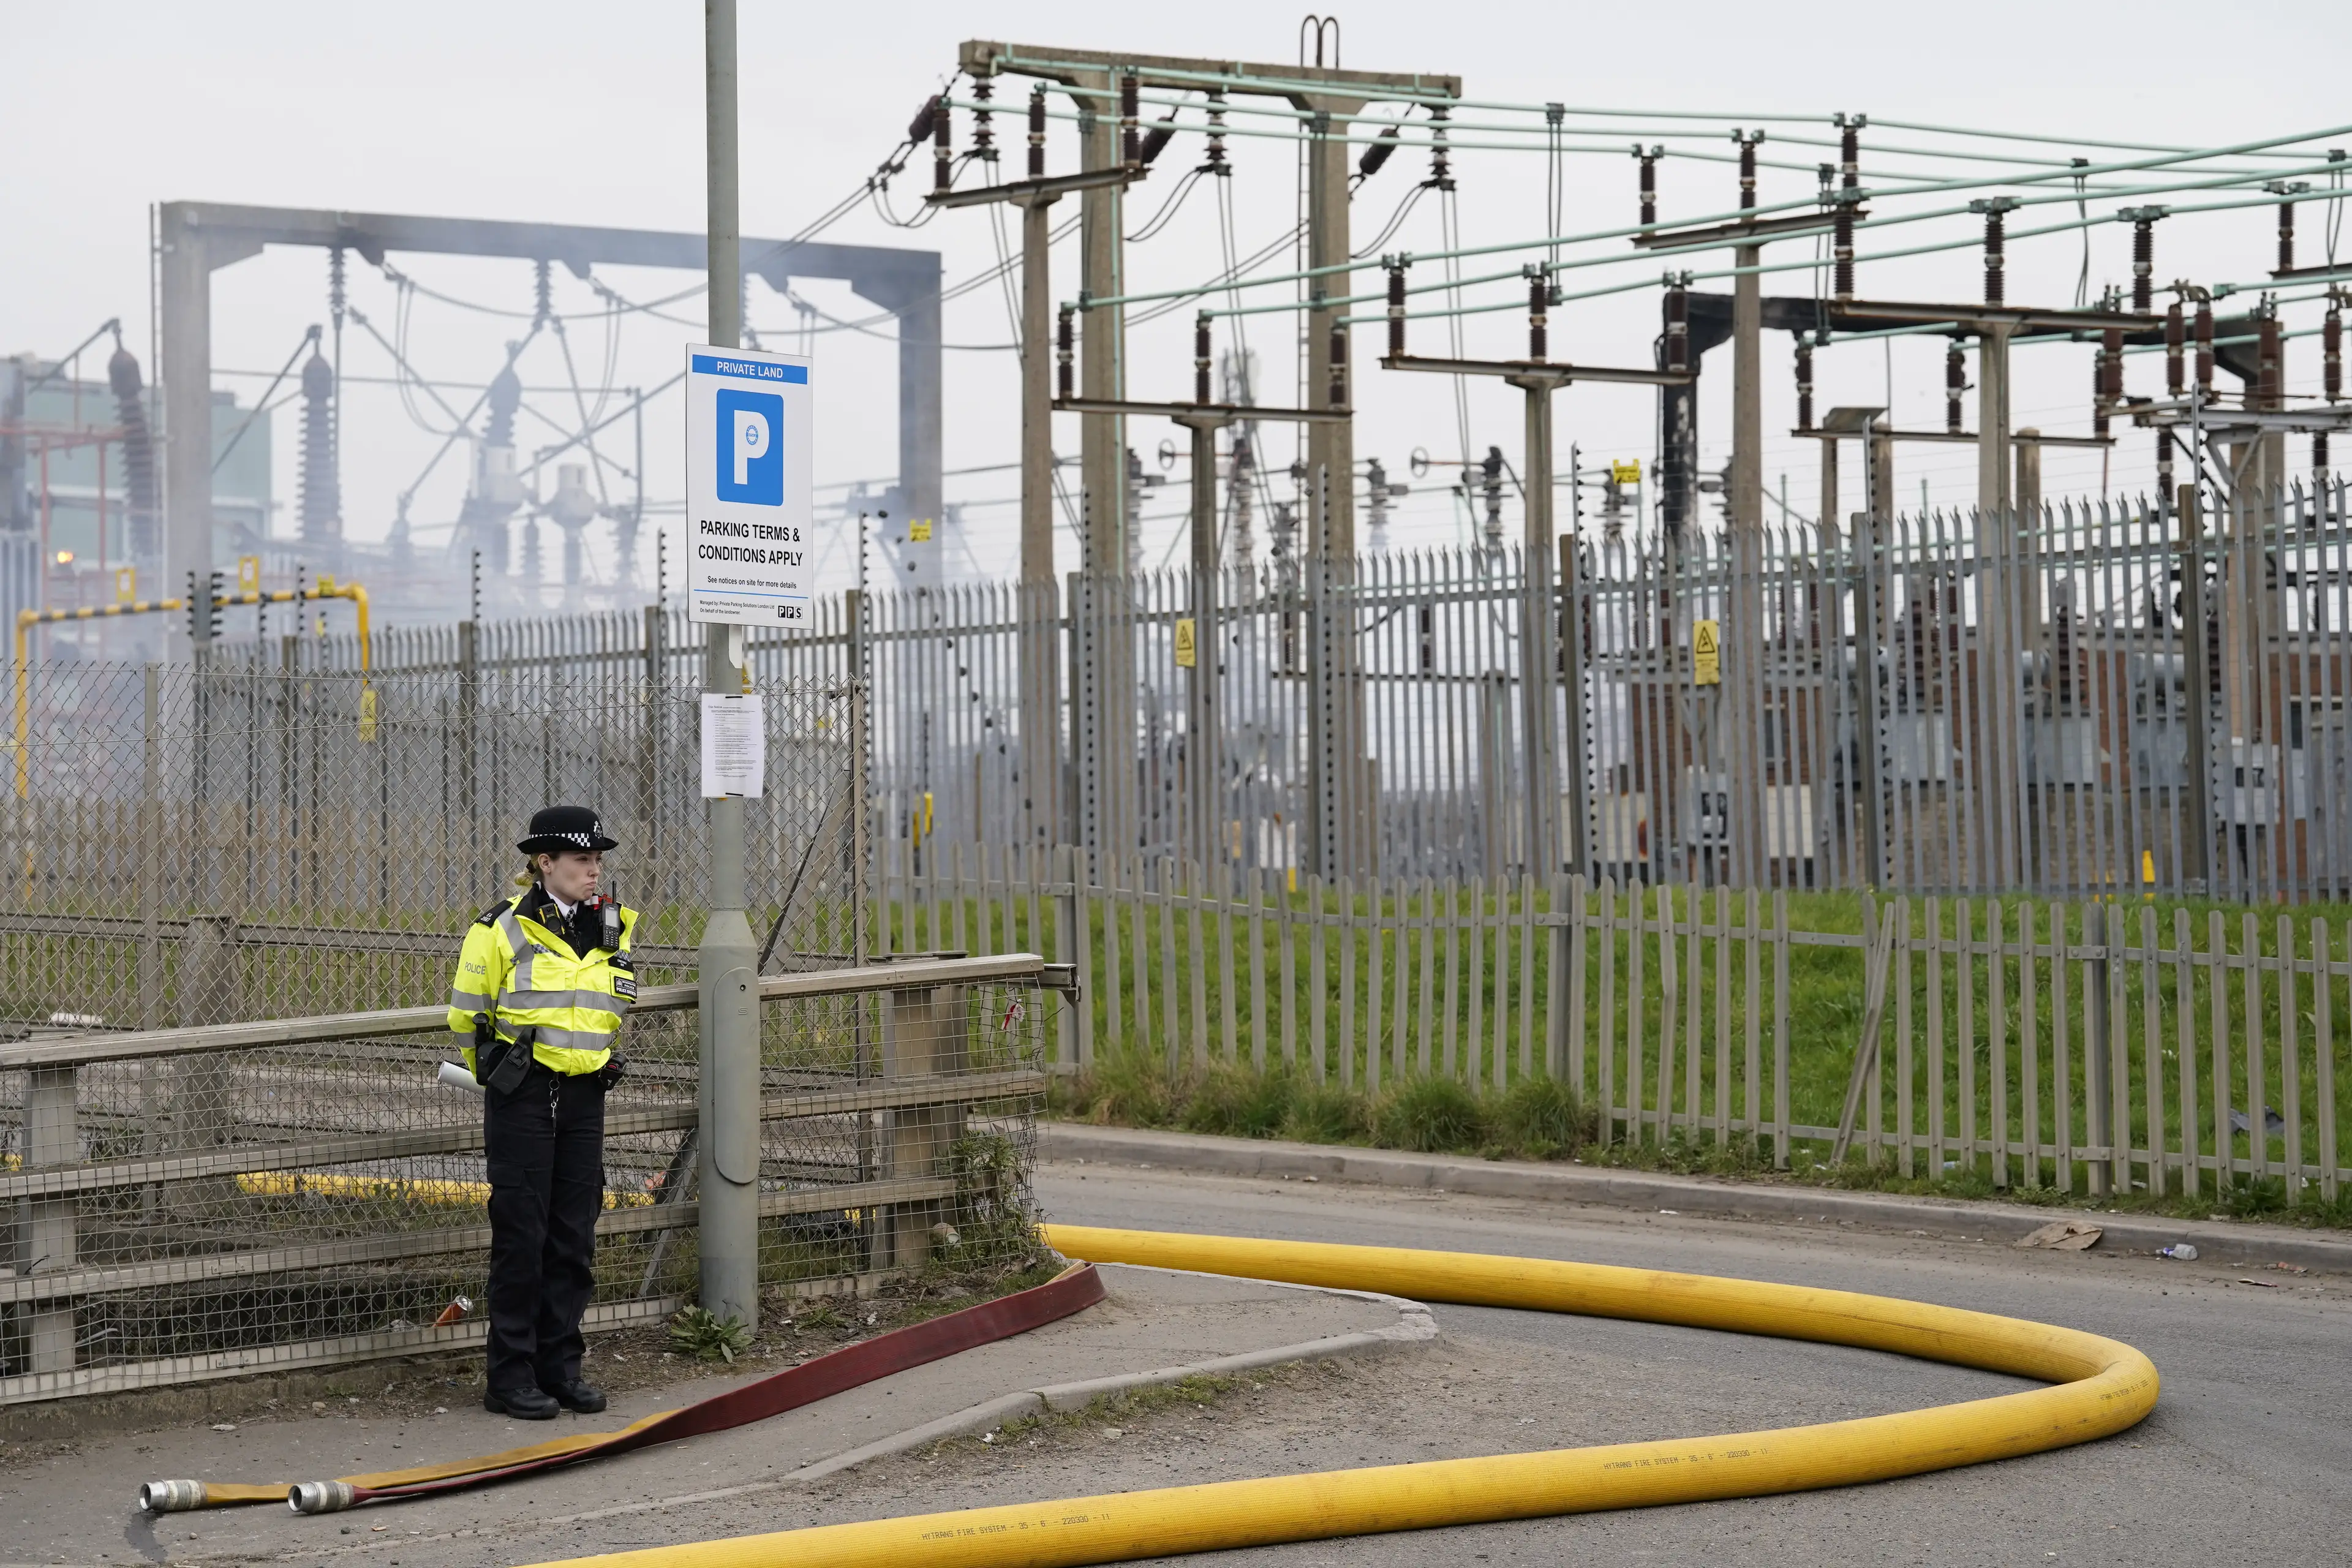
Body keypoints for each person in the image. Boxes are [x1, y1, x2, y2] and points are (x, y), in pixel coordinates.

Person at [447, 805, 639, 1419]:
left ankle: (561, 1369)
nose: (594, 870)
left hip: (584, 1097)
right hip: (525, 1095)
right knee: (522, 1238)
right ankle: (510, 1375)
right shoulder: (502, 929)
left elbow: (609, 1002)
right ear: (544, 862)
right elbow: (467, 1016)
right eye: (582, 859)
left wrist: (600, 1057)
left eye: (598, 859)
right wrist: (502, 1072)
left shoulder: (612, 925)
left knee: (573, 1239)